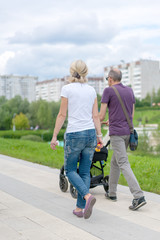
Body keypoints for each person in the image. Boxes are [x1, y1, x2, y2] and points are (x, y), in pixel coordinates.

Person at [50, 60, 103, 219]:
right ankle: (80, 209)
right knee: (85, 171)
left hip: (74, 134)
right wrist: (99, 135)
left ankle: (87, 197)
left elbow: (62, 115)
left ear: (71, 71)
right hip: (90, 134)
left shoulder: (67, 89)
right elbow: (95, 116)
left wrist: (54, 137)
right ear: (85, 72)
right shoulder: (91, 90)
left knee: (70, 170)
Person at [99, 68, 146, 211]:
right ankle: (112, 193)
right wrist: (112, 120)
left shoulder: (108, 91)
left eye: (107, 79)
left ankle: (138, 196)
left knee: (123, 163)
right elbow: (130, 113)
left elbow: (100, 116)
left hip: (117, 134)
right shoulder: (130, 91)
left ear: (111, 79)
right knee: (115, 162)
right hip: (128, 132)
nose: (107, 81)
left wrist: (94, 120)